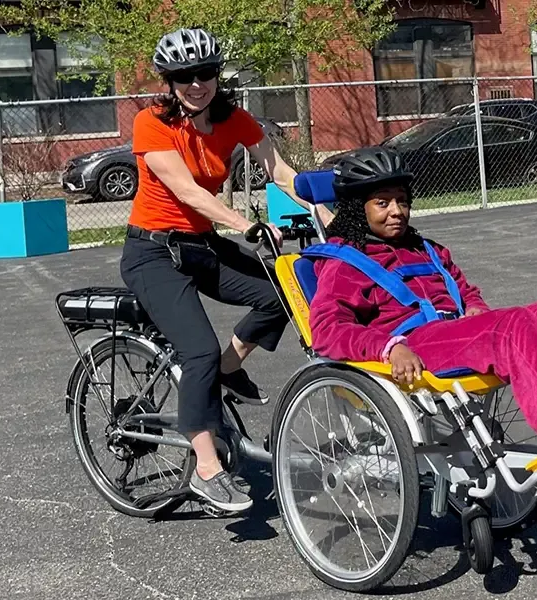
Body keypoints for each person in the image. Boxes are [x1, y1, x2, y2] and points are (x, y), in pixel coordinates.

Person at [119, 28, 332, 513]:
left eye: (205, 73)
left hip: (201, 245)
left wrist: (328, 213)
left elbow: (281, 171)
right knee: (197, 349)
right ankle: (207, 469)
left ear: (218, 75)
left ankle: (228, 368)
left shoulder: (234, 119)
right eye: (184, 76)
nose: (197, 84)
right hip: (152, 251)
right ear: (170, 81)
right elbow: (186, 191)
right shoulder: (151, 123)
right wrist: (245, 224)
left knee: (284, 292)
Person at [307, 146, 537, 449]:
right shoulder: (345, 262)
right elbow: (325, 330)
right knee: (511, 326)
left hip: (453, 331)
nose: (396, 211)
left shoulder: (425, 248)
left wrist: (474, 306)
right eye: (382, 203)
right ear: (358, 208)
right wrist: (390, 347)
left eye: (402, 201)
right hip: (413, 345)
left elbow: (463, 288)